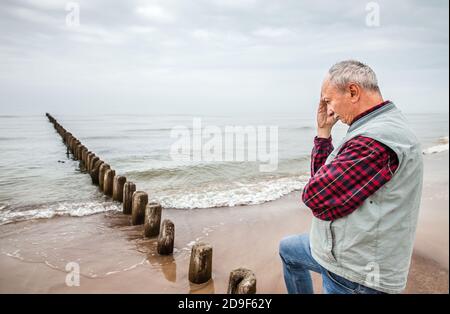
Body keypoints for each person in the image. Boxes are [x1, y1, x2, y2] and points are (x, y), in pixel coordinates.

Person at [279, 60, 424, 294]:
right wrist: (323, 134)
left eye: (328, 100)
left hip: (355, 274)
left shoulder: (375, 141)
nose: (329, 110)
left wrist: (321, 194)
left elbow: (315, 197)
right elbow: (323, 185)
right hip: (336, 250)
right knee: (288, 250)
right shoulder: (373, 126)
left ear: (353, 92)